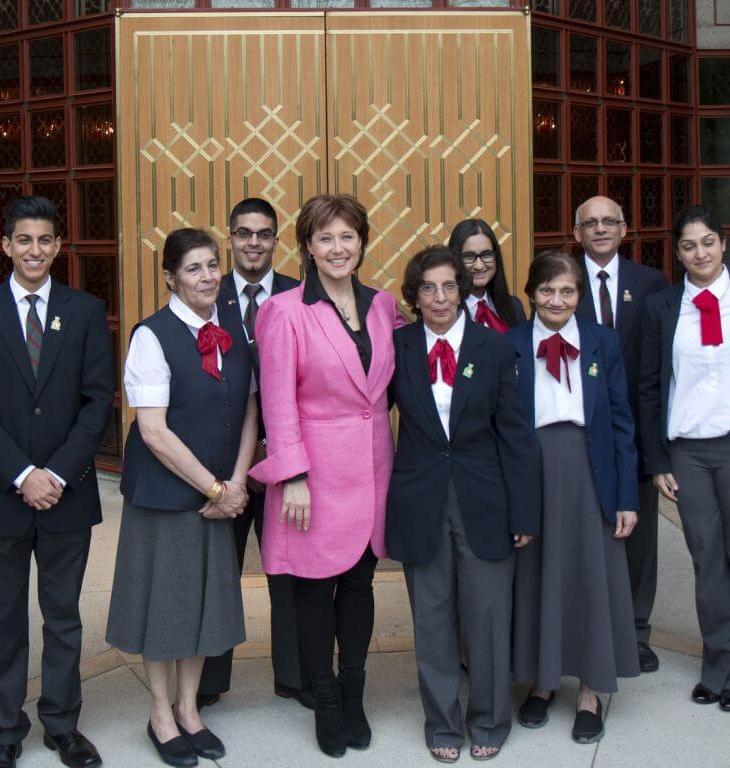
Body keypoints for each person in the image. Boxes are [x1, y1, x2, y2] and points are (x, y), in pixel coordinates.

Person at [248, 194, 403, 758]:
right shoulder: (285, 310)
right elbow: (277, 399)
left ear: (362, 242)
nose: (338, 248)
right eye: (325, 238)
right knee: (314, 593)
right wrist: (291, 474)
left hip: (372, 467)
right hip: (311, 478)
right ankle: (326, 701)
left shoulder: (384, 305)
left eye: (348, 237)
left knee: (360, 586)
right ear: (307, 247)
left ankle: (355, 694)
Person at [106, 228, 258, 767]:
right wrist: (216, 489)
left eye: (213, 265)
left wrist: (238, 484)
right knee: (164, 609)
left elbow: (248, 412)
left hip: (220, 495)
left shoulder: (234, 332)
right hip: (168, 499)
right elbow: (154, 432)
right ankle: (159, 713)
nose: (208, 276)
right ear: (170, 277)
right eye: (193, 268)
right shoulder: (152, 335)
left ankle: (190, 709)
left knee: (202, 609)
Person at [387, 246, 540, 763]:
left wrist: (524, 511)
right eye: (427, 288)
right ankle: (443, 724)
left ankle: (490, 720)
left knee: (488, 617)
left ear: (463, 290)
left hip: (485, 499)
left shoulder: (493, 349)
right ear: (414, 295)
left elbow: (516, 437)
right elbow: (360, 410)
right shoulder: (398, 347)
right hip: (420, 499)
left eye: (448, 286)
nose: (439, 297)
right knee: (432, 620)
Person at [0, 196, 114, 768]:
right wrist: (22, 473)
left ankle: (63, 725)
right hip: (5, 494)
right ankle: (4, 728)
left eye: (45, 240)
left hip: (67, 494)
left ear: (59, 246)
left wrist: (55, 474)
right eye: (24, 240)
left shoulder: (86, 310)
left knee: (64, 616)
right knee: (4, 619)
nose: (35, 250)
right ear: (7, 245)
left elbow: (97, 402)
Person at [510, 251, 639, 744]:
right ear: (531, 294)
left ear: (579, 296)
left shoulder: (601, 341)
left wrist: (626, 495)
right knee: (540, 575)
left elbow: (623, 421)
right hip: (535, 470)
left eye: (566, 291)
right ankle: (542, 684)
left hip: (591, 469)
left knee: (591, 576)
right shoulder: (514, 344)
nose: (556, 300)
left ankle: (589, 689)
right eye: (546, 290)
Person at [197, 198, 310, 711]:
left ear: (276, 239)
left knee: (289, 571)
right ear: (229, 236)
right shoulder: (204, 293)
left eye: (264, 234)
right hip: (222, 462)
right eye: (244, 233)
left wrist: (279, 449)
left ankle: (295, 676)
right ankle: (208, 680)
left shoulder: (301, 295)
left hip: (288, 455)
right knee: (217, 571)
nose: (254, 243)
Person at [639, 205, 730, 711]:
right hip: (690, 452)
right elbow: (650, 387)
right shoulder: (664, 306)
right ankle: (718, 664)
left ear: (723, 243)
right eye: (689, 245)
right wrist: (657, 459)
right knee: (708, 559)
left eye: (708, 242)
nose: (700, 253)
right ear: (678, 253)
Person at [574, 195, 667, 673]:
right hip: (580, 434)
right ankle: (588, 627)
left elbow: (658, 367)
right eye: (591, 223)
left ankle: (636, 633)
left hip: (634, 434)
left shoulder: (650, 284)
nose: (601, 229)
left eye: (610, 221)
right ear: (577, 234)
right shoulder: (561, 281)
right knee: (587, 532)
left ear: (625, 228)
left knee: (638, 537)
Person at [447, 218, 526, 332]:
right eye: (469, 256)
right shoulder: (443, 311)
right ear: (455, 259)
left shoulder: (514, 306)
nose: (479, 266)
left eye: (486, 255)